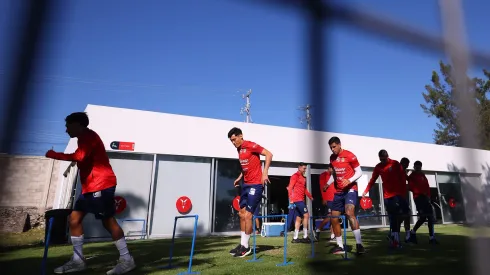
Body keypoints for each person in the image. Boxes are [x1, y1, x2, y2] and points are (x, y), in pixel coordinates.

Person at [45, 112, 135, 275]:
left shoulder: (88, 137)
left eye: (68, 125)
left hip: (101, 184)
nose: (66, 130)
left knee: (108, 221)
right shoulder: (83, 138)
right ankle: (78, 261)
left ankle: (127, 259)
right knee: (74, 219)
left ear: (78, 124)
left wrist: (54, 155)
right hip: (89, 187)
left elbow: (79, 157)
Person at [227, 127, 273, 257]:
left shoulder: (251, 145)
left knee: (248, 215)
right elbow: (245, 166)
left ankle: (246, 247)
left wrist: (265, 173)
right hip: (246, 185)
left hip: (256, 185)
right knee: (241, 214)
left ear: (241, 136)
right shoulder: (239, 149)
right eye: (231, 141)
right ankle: (242, 244)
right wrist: (240, 177)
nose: (233, 142)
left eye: (234, 139)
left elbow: (269, 154)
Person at [324, 137, 365, 255]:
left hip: (351, 189)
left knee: (349, 212)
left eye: (334, 146)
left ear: (339, 145)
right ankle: (340, 246)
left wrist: (350, 180)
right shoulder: (332, 158)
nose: (332, 149)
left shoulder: (350, 155)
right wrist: (328, 183)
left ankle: (359, 245)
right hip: (339, 191)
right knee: (334, 217)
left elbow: (359, 172)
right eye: (330, 147)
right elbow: (335, 175)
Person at [363, 150, 409, 249]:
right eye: (381, 159)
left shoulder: (395, 163)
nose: (383, 161)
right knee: (393, 217)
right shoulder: (378, 167)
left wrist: (403, 193)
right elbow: (372, 180)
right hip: (388, 196)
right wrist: (366, 191)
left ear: (387, 156)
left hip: (399, 194)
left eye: (384, 159)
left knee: (406, 213)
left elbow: (402, 178)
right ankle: (395, 241)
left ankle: (392, 235)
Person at [408, 161, 438, 244]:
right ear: (414, 167)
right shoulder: (412, 176)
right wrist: (420, 192)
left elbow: (427, 186)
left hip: (425, 198)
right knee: (423, 217)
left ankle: (431, 238)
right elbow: (410, 187)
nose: (418, 168)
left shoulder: (422, 175)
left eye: (419, 167)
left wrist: (428, 196)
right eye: (416, 167)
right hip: (418, 198)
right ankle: (412, 232)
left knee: (430, 216)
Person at [287, 162, 314, 243]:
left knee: (299, 218)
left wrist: (310, 196)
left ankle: (295, 238)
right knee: (306, 215)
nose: (305, 170)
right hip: (297, 200)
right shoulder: (295, 176)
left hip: (301, 200)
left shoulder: (303, 177)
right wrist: (291, 199)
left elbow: (304, 189)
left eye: (305, 168)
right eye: (304, 168)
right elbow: (290, 187)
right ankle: (305, 236)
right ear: (299, 168)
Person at [315, 163, 336, 243]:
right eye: (332, 169)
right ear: (329, 168)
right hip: (328, 199)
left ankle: (332, 236)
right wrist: (324, 198)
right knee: (330, 216)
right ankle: (318, 230)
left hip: (335, 198)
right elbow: (322, 187)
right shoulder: (323, 175)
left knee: (334, 217)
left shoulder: (334, 176)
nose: (333, 171)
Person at [400, 157, 413, 243]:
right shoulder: (397, 170)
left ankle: (407, 235)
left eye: (408, 164)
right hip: (397, 196)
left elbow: (408, 179)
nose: (407, 166)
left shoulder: (403, 172)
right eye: (406, 164)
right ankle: (393, 234)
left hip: (403, 196)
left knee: (406, 215)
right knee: (401, 216)